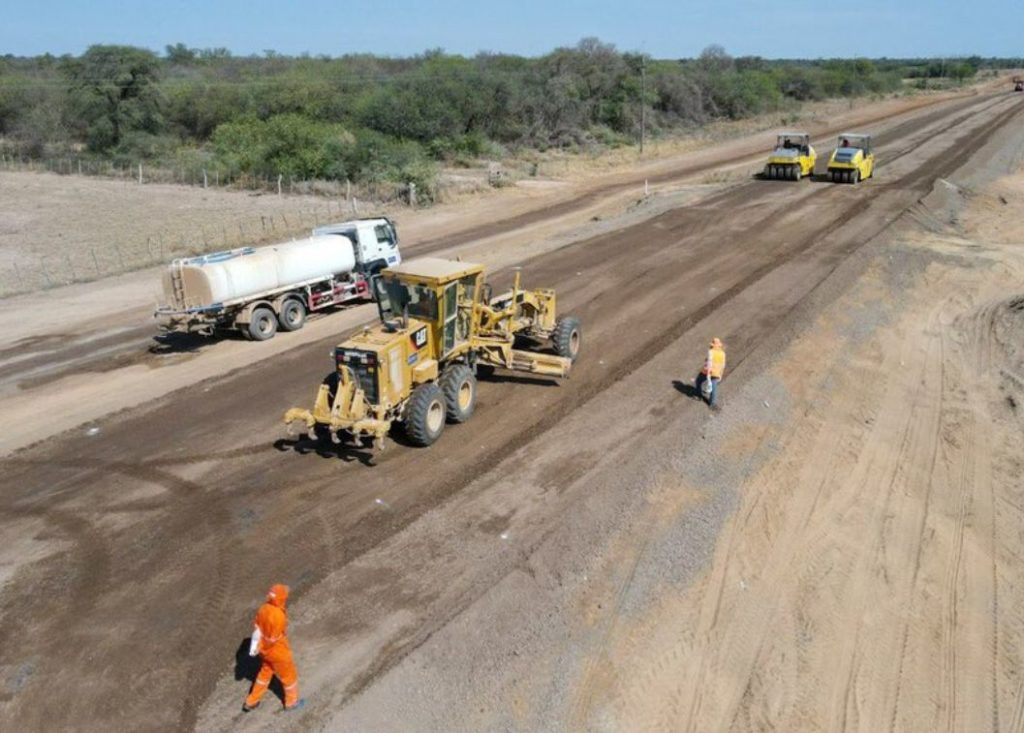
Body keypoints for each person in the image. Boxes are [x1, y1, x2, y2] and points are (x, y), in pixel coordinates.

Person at [243, 584, 305, 713]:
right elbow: (273, 639)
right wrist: (266, 647)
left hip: (264, 651)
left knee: (264, 674)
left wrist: (259, 648)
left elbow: (257, 628)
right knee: (289, 677)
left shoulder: (264, 608)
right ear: (281, 598)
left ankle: (251, 701)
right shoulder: (279, 616)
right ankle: (291, 702)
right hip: (278, 652)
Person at [695, 338, 726, 408]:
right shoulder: (723, 354)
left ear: (712, 345)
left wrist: (708, 375)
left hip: (708, 371)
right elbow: (723, 365)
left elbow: (709, 363)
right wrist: (720, 375)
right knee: (713, 388)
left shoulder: (711, 352)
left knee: (698, 381)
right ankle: (712, 403)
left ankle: (699, 396)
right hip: (716, 373)